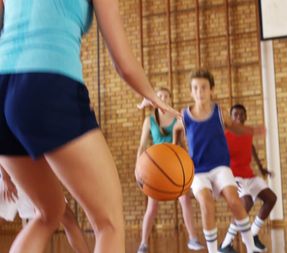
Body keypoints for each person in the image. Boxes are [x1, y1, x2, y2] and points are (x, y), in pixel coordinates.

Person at [0, 1, 178, 252]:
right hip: (48, 84)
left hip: (2, 88)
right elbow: (124, 64)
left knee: (49, 213)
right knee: (109, 223)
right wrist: (152, 95)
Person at [171, 69, 263, 253]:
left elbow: (235, 128)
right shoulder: (185, 116)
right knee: (206, 202)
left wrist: (253, 130)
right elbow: (176, 129)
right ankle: (213, 251)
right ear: (191, 92)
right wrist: (175, 147)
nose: (200, 91)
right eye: (195, 88)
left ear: (211, 90)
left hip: (220, 167)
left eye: (204, 87)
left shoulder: (219, 113)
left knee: (234, 201)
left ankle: (250, 248)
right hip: (197, 170)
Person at [136, 88, 203, 252]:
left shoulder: (177, 118)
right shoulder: (149, 120)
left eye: (166, 96)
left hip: (175, 166)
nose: (163, 98)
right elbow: (142, 145)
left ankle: (193, 239)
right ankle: (143, 243)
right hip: (156, 168)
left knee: (185, 201)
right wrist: (137, 167)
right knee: (152, 207)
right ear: (155, 100)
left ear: (170, 99)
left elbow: (188, 138)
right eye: (159, 96)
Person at [219, 104, 277, 253]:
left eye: (241, 114)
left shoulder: (247, 132)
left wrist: (261, 167)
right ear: (231, 118)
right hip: (234, 176)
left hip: (249, 175)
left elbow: (251, 148)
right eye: (235, 114)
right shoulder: (225, 135)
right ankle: (226, 244)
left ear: (246, 117)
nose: (238, 117)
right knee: (246, 202)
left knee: (271, 198)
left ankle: (253, 234)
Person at [0, 165, 90, 253]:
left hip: (27, 174)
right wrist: (5, 178)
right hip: (17, 174)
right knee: (68, 219)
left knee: (68, 219)